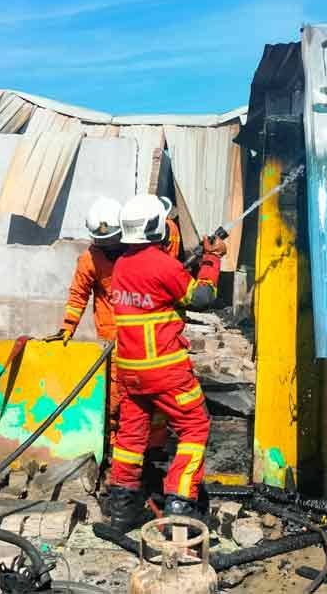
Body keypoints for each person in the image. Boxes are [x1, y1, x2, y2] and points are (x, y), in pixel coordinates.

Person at [107, 194, 225, 531]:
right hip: (165, 370)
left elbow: (155, 294)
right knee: (194, 426)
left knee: (131, 436)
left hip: (130, 372)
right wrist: (212, 259)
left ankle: (123, 508)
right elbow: (201, 298)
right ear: (156, 226)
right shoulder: (161, 264)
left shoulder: (122, 265)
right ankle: (181, 504)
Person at [45, 197, 169, 451]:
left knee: (152, 390)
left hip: (143, 335)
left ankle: (154, 446)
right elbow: (78, 294)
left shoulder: (138, 252)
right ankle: (115, 444)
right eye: (102, 242)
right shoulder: (90, 260)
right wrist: (68, 327)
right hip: (113, 338)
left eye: (111, 240)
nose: (107, 247)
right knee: (116, 393)